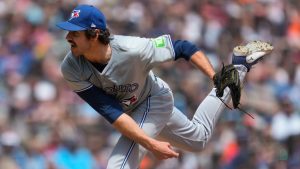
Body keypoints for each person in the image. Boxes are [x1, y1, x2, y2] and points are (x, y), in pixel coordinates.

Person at [56, 4, 273, 169]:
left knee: (118, 165)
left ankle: (225, 78)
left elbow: (183, 48)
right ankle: (239, 65)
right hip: (132, 112)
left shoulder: (133, 49)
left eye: (75, 33)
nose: (68, 37)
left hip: (154, 99)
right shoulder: (71, 67)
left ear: (94, 34)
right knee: (198, 139)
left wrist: (214, 76)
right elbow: (111, 112)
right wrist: (150, 143)